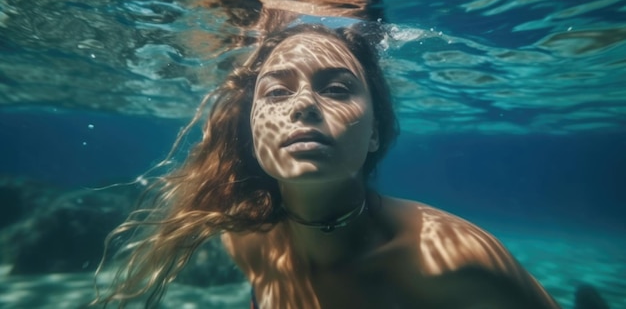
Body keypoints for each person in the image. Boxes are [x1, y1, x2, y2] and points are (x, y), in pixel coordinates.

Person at [92, 22, 565, 308]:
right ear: (251, 128)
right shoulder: (244, 239)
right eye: (276, 91)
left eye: (337, 88)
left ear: (376, 130)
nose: (303, 106)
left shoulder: (454, 262)